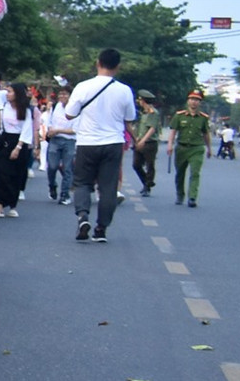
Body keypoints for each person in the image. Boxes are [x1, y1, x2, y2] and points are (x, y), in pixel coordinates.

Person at [64, 49, 137, 241]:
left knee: (82, 183)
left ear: (97, 63)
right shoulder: (125, 90)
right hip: (113, 143)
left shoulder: (83, 87)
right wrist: (137, 140)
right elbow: (129, 121)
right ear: (118, 66)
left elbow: (69, 114)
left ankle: (82, 217)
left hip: (87, 142)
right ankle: (101, 229)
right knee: (108, 187)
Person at [0, 82, 37, 217]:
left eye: (10, 92)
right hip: (5, 140)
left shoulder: (26, 111)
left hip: (19, 142)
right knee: (0, 172)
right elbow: (0, 123)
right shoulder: (4, 107)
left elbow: (26, 129)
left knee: (16, 174)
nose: (8, 94)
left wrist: (18, 147)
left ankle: (12, 205)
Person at [166, 90, 212, 207]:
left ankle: (192, 197)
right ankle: (180, 194)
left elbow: (206, 133)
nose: (194, 102)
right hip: (181, 148)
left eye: (196, 100)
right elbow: (173, 131)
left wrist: (209, 148)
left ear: (200, 102)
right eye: (192, 99)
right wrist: (170, 144)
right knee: (180, 173)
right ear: (188, 101)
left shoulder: (203, 118)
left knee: (195, 173)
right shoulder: (179, 116)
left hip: (197, 148)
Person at [44, 88, 76, 203]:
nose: (62, 96)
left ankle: (64, 194)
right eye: (60, 93)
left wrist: (58, 130)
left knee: (67, 168)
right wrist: (51, 130)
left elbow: (75, 129)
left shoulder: (75, 109)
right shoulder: (56, 106)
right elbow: (50, 122)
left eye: (65, 94)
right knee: (52, 166)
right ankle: (52, 185)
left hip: (69, 141)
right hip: (55, 140)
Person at [130, 90, 161, 195]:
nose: (138, 102)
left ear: (143, 101)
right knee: (136, 164)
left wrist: (142, 141)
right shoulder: (142, 113)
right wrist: (136, 139)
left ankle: (147, 187)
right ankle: (146, 182)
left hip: (150, 143)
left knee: (149, 165)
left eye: (140, 100)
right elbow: (139, 128)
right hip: (139, 142)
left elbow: (152, 129)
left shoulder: (153, 113)